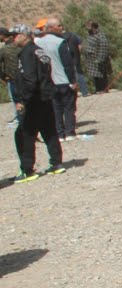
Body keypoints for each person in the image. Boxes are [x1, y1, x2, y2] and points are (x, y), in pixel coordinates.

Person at [12, 24, 64, 181]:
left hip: (34, 99)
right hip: (45, 97)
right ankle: (56, 163)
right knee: (49, 130)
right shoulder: (38, 50)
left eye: (15, 35)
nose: (13, 38)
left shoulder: (27, 53)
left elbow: (30, 79)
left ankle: (27, 170)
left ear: (24, 35)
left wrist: (22, 100)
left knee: (24, 134)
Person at [35, 18, 78, 140]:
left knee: (56, 109)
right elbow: (67, 64)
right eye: (59, 25)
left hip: (49, 81)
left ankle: (59, 133)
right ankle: (70, 132)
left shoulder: (38, 43)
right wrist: (73, 81)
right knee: (68, 107)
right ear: (51, 28)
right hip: (63, 80)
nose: (61, 27)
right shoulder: (60, 42)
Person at [81, 21, 111, 93]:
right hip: (92, 59)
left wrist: (100, 58)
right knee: (95, 75)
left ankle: (103, 89)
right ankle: (98, 89)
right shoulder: (90, 34)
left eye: (89, 26)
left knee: (101, 74)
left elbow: (103, 47)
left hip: (98, 58)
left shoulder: (100, 35)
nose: (87, 28)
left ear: (93, 27)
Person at [0, 27, 20, 124]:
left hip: (12, 79)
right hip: (24, 77)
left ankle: (20, 119)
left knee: (16, 100)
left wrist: (3, 77)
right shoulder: (19, 46)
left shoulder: (4, 49)